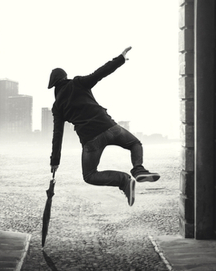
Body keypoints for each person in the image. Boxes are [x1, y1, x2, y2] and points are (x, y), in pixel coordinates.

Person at [48, 46, 160, 206]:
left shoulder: (57, 106)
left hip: (91, 140)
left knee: (90, 175)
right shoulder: (78, 83)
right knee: (135, 143)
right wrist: (120, 59)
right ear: (66, 77)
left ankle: (124, 181)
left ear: (54, 87)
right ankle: (138, 169)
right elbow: (99, 73)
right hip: (110, 127)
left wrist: (55, 161)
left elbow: (57, 136)